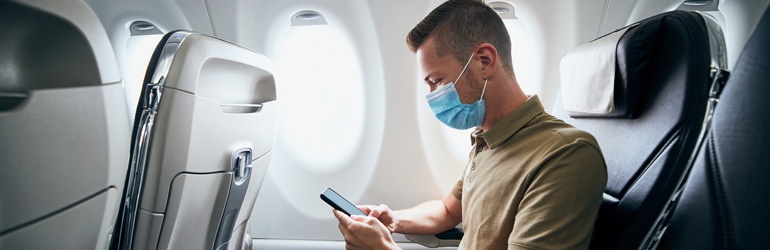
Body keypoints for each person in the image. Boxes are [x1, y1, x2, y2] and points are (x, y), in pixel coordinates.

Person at [333, 0, 607, 249]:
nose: (432, 96)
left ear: (484, 61)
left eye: (437, 81)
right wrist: (392, 220)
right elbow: (448, 211)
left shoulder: (565, 155)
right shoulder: (488, 140)